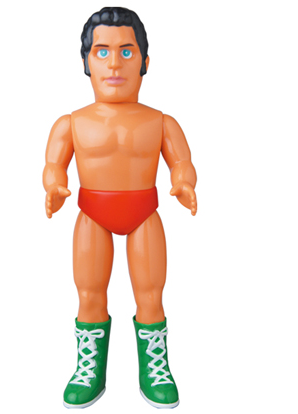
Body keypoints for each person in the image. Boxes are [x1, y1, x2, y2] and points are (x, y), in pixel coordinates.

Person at [42, 7, 197, 409]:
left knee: (151, 294)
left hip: (144, 215)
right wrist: (54, 186)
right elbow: (53, 164)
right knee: (89, 293)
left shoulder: (160, 122)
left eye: (127, 52)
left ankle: (155, 369)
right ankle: (88, 369)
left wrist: (184, 183)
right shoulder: (71, 123)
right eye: (102, 52)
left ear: (145, 62)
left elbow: (181, 161)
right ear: (86, 62)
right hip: (92, 216)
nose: (114, 63)